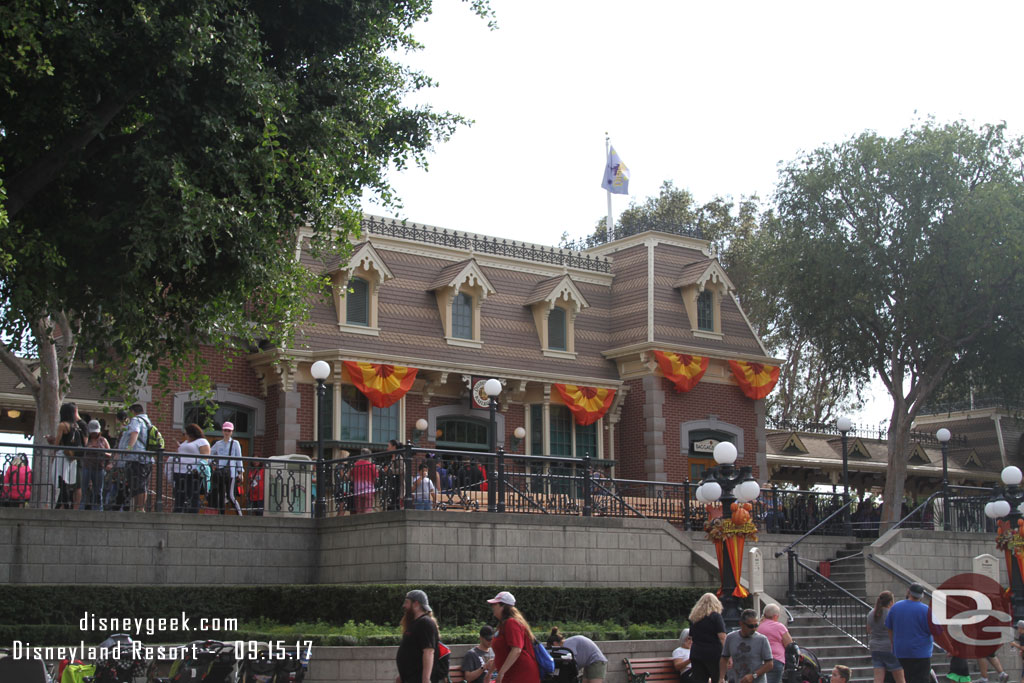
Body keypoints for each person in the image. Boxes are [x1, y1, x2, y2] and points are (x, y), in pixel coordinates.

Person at [885, 584, 934, 683]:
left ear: (908, 592)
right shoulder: (926, 610)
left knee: (903, 678)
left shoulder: (895, 607)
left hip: (900, 652)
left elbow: (889, 628)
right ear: (922, 595)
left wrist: (893, 644)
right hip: (921, 653)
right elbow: (937, 631)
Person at [488, 591, 540, 683]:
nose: (492, 607)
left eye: (495, 604)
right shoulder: (503, 624)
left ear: (502, 606)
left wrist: (501, 673)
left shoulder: (511, 623)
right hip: (511, 673)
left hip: (520, 674)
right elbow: (501, 654)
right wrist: (490, 673)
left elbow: (516, 650)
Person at [46, 402, 86, 509]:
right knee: (67, 482)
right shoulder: (76, 426)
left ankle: (65, 505)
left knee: (61, 481)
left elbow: (57, 443)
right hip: (72, 458)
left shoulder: (62, 425)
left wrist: (51, 442)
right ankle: (61, 505)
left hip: (62, 456)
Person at [395, 589, 438, 683]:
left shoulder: (425, 623)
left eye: (406, 602)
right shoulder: (414, 623)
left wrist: (426, 679)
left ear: (416, 604)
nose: (404, 606)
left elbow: (429, 652)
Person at [720, 608, 773, 683]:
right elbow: (724, 658)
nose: (754, 629)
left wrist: (753, 675)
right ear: (741, 624)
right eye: (750, 626)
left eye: (756, 625)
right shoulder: (731, 638)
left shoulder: (762, 639)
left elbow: (769, 664)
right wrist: (721, 677)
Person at [121, 403, 155, 511]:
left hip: (137, 457)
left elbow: (135, 432)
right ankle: (140, 508)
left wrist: (129, 448)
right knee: (143, 484)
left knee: (138, 484)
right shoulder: (148, 422)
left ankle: (139, 508)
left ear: (133, 412)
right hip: (147, 458)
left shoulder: (136, 420)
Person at [866, 591, 905, 683]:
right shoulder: (891, 614)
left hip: (875, 647)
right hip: (889, 647)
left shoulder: (871, 613)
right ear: (891, 602)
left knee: (878, 678)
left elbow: (868, 630)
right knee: (900, 678)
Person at [688, 593, 727, 683]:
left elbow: (691, 636)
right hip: (714, 653)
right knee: (718, 678)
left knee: (699, 680)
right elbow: (722, 637)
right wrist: (727, 654)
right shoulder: (716, 617)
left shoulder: (694, 618)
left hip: (696, 652)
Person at [171, 423, 209, 513]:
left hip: (192, 473)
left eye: (186, 433)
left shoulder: (201, 442)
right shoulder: (185, 442)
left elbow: (205, 457)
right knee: (179, 494)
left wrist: (199, 469)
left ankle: (192, 513)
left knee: (192, 494)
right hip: (180, 472)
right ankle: (178, 511)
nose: (185, 435)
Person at [209, 421, 243, 514]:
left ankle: (239, 514)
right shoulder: (218, 444)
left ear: (231, 432)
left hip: (231, 472)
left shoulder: (235, 443)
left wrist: (240, 472)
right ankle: (221, 513)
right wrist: (212, 463)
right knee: (221, 494)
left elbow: (238, 458)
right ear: (222, 431)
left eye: (229, 430)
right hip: (220, 471)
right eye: (225, 430)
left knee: (230, 495)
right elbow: (210, 453)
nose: (227, 432)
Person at [758, 604, 793, 683]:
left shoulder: (759, 626)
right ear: (775, 616)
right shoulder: (779, 627)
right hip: (776, 660)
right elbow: (789, 644)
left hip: (761, 661)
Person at [80, 420, 111, 510]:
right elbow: (81, 451)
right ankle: (82, 508)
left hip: (99, 468)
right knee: (84, 489)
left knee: (98, 491)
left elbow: (110, 454)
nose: (93, 434)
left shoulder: (103, 440)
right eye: (92, 432)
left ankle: (98, 509)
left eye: (95, 432)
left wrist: (102, 452)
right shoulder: (86, 440)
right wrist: (88, 449)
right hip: (87, 467)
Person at [351, 449, 377, 515]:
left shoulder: (355, 465)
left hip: (357, 491)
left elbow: (351, 478)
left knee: (359, 511)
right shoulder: (371, 465)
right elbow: (375, 478)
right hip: (368, 490)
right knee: (367, 511)